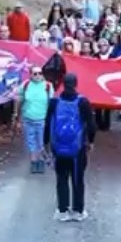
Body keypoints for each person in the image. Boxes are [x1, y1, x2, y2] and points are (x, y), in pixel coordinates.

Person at [45, 73, 95, 222]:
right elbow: (91, 124)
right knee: (78, 178)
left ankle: (62, 210)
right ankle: (78, 211)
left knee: (61, 178)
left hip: (58, 146)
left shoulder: (54, 102)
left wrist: (45, 143)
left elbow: (48, 123)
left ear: (62, 84)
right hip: (77, 148)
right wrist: (91, 141)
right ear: (76, 84)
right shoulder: (83, 102)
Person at [16, 65, 54, 174]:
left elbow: (51, 103)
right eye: (35, 73)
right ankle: (34, 162)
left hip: (41, 119)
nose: (38, 76)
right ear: (30, 75)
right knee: (31, 141)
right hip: (27, 118)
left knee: (41, 142)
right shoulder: (26, 85)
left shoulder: (48, 86)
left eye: (40, 73)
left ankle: (41, 161)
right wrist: (17, 115)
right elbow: (19, 100)